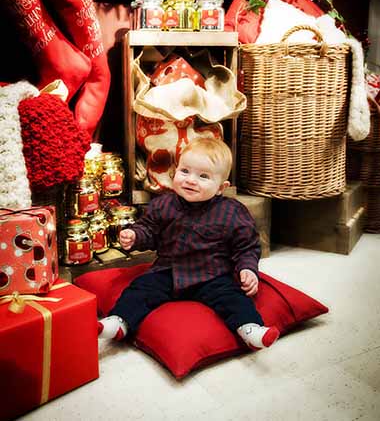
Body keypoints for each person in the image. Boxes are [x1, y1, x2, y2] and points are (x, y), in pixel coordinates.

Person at [98, 137, 279, 350]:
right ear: (175, 172)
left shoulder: (232, 212)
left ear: (221, 187)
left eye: (203, 176)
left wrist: (248, 269)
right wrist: (136, 236)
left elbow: (246, 247)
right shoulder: (163, 204)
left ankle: (250, 328)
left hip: (213, 275)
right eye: (185, 171)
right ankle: (120, 321)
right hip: (169, 271)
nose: (191, 180)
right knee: (140, 289)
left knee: (233, 297)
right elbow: (149, 230)